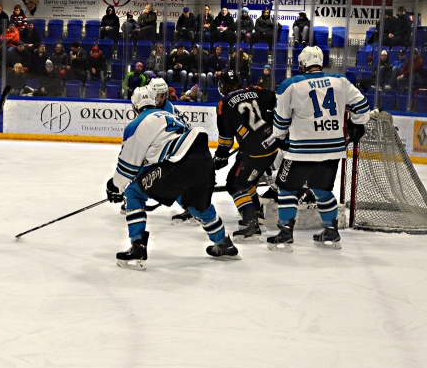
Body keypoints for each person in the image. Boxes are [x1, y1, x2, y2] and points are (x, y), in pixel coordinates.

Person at [105, 82, 240, 270]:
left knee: (134, 193)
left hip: (179, 164)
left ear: (135, 107)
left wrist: (115, 187)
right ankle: (224, 243)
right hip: (202, 158)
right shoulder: (171, 114)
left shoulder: (136, 124)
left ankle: (138, 246)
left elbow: (127, 167)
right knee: (196, 204)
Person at [266, 46, 370, 251]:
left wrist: (279, 136)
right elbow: (362, 107)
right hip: (333, 149)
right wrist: (357, 122)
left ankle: (286, 231)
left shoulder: (290, 84)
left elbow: (280, 122)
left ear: (303, 64)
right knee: (322, 189)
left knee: (287, 188)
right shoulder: (341, 81)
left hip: (301, 149)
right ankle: (331, 230)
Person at [214, 70, 278, 242]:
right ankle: (256, 212)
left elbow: (226, 140)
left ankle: (251, 224)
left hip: (254, 152)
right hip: (272, 146)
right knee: (246, 180)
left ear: (222, 86)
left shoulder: (224, 103)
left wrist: (220, 157)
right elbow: (279, 101)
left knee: (234, 184)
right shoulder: (256, 90)